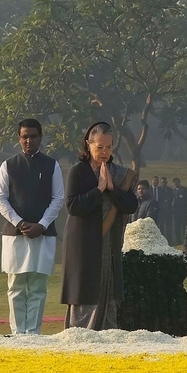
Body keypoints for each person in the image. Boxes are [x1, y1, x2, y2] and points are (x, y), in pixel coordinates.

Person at [61, 121, 137, 330]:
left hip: (109, 243)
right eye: (99, 147)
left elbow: (131, 205)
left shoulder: (120, 174)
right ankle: (80, 335)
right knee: (84, 291)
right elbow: (72, 206)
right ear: (88, 145)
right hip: (83, 243)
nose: (105, 152)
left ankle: (108, 333)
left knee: (109, 289)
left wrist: (112, 189)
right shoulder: (78, 171)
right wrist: (98, 189)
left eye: (109, 147)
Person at [0, 118, 64, 335]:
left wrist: (41, 225)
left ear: (40, 138)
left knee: (37, 287)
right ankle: (17, 333)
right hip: (15, 235)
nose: (29, 140)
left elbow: (58, 199)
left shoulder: (52, 165)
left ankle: (33, 333)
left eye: (33, 136)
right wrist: (20, 223)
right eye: (24, 136)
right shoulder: (8, 165)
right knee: (15, 286)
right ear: (19, 138)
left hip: (43, 235)